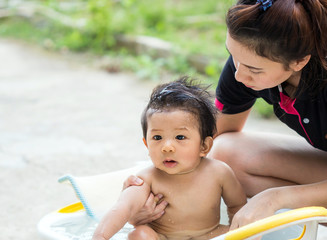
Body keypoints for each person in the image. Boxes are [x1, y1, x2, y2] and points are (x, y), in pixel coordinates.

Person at [124, 0, 327, 232]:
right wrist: (150, 190)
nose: (239, 75)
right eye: (233, 56)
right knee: (224, 152)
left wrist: (274, 198)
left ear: (300, 61)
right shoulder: (245, 64)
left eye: (254, 69)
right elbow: (211, 140)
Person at [92, 77, 246, 240]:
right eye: (157, 138)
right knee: (140, 234)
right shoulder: (146, 179)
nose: (167, 147)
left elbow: (238, 206)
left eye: (180, 137)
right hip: (163, 236)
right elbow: (123, 209)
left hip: (209, 234)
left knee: (235, 232)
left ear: (204, 146)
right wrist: (100, 237)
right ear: (146, 144)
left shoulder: (219, 172)